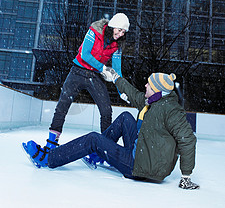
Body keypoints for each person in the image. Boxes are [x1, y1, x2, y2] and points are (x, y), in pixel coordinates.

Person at [23, 68, 199, 190]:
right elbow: (133, 94)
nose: (145, 86)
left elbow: (188, 139)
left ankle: (48, 159)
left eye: (149, 85)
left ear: (157, 90)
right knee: (125, 118)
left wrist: (186, 176)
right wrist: (115, 77)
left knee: (93, 139)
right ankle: (95, 155)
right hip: (142, 153)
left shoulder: (171, 110)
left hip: (140, 167)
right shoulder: (153, 102)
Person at [23, 13, 130, 161]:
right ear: (112, 26)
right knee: (63, 106)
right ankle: (51, 145)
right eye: (119, 29)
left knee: (106, 110)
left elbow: (117, 70)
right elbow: (85, 55)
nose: (120, 34)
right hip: (78, 71)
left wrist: (122, 91)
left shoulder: (117, 46)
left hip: (94, 76)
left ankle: (105, 150)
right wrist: (103, 68)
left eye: (124, 32)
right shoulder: (94, 31)